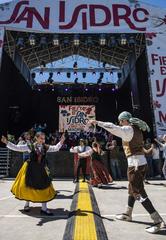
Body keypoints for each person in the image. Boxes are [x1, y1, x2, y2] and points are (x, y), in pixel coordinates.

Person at [89, 111, 165, 234]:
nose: (120, 123)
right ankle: (128, 213)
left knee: (138, 192)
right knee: (132, 188)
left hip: (135, 165)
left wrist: (97, 122)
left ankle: (157, 220)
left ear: (125, 120)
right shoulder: (136, 130)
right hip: (139, 163)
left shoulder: (128, 129)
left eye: (121, 121)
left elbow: (113, 128)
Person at [1, 132, 65, 216]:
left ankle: (44, 209)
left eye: (44, 138)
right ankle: (27, 205)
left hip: (41, 169)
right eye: (41, 138)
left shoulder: (45, 147)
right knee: (28, 186)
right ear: (36, 138)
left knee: (44, 186)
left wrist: (61, 141)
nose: (43, 140)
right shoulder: (30, 146)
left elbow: (55, 148)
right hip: (31, 169)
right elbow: (17, 148)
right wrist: (7, 143)